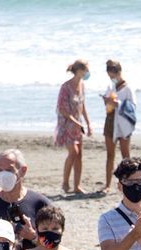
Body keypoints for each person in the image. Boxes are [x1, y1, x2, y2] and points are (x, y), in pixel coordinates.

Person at [56, 59, 92, 194]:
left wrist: (88, 123)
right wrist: (77, 123)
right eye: (86, 70)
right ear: (79, 71)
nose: (88, 73)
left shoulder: (82, 85)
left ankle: (77, 185)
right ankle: (65, 182)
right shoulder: (65, 87)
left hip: (78, 125)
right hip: (67, 125)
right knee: (73, 152)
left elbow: (83, 106)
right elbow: (62, 109)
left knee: (79, 155)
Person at [100, 61, 135, 192]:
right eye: (109, 76)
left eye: (113, 75)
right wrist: (107, 101)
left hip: (124, 123)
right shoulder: (111, 86)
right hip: (110, 121)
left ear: (119, 73)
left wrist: (117, 103)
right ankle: (108, 185)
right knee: (110, 154)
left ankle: (130, 181)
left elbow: (132, 106)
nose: (111, 78)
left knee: (125, 155)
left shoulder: (127, 88)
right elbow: (108, 104)